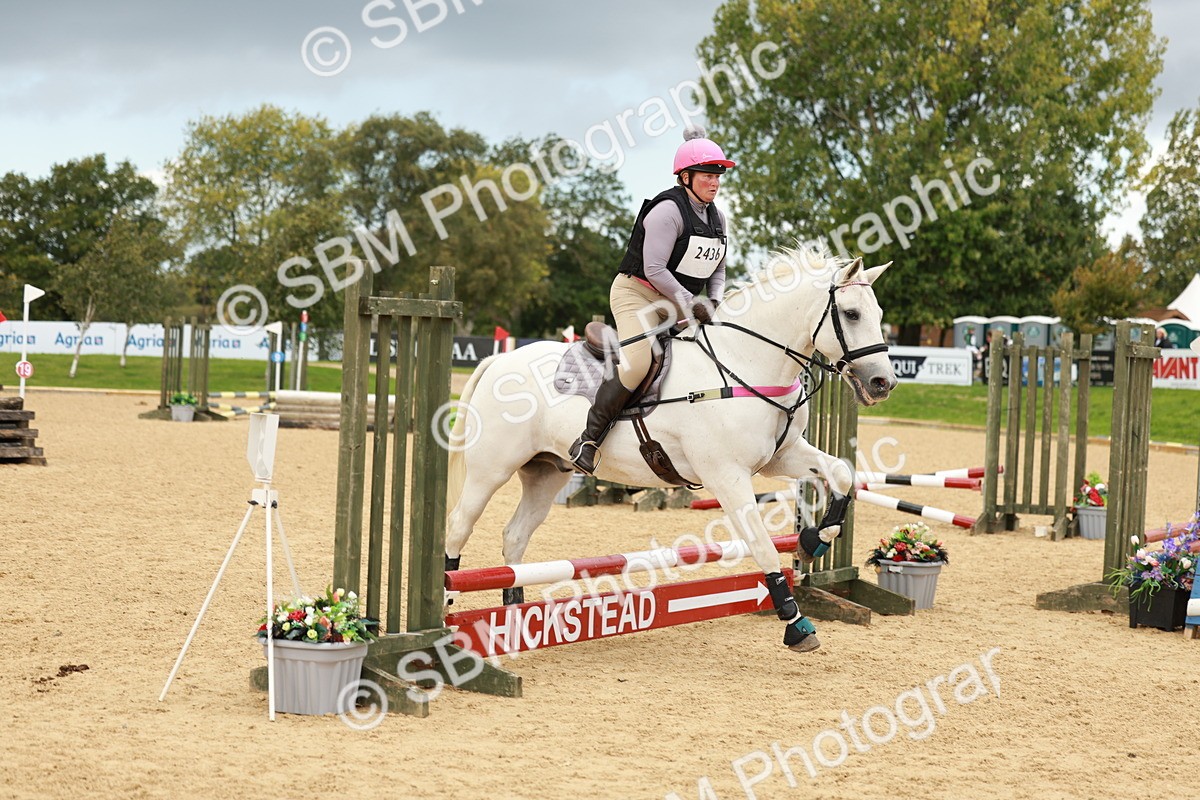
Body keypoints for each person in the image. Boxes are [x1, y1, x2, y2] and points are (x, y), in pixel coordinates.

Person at [568, 126, 734, 474]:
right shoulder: (667, 211)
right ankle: (588, 439)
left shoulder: (717, 218)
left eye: (718, 175)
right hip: (637, 294)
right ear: (686, 177)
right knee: (639, 362)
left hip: (675, 300)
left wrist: (715, 301)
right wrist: (690, 302)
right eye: (707, 175)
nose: (715, 182)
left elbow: (718, 267)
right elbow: (655, 269)